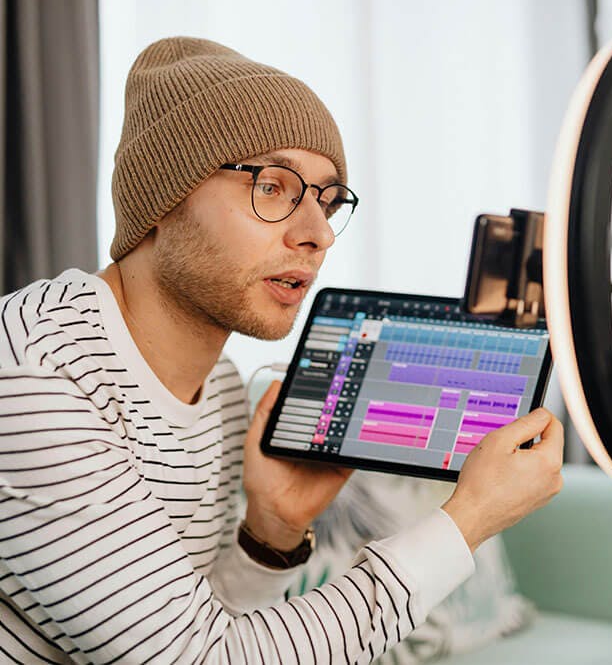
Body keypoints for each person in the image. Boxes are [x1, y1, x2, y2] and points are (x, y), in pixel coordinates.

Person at [0, 36, 563, 664]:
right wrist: (469, 519)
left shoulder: (216, 385)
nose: (317, 234)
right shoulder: (35, 380)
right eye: (272, 186)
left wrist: (269, 533)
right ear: (163, 198)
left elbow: (187, 623)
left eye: (328, 200)